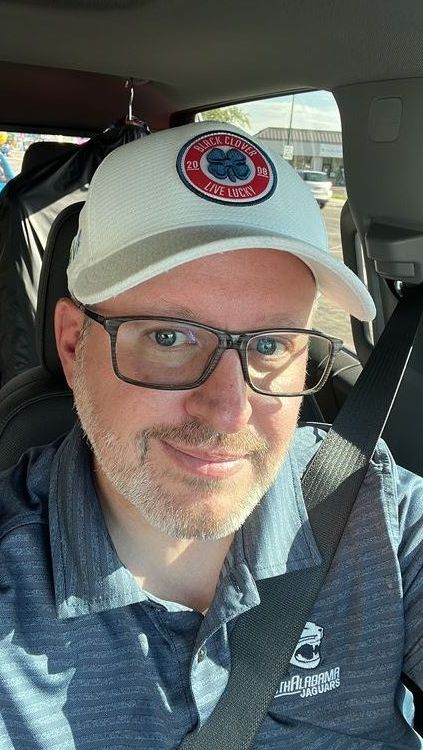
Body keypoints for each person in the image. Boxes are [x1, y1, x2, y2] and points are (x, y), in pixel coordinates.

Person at [0, 121, 421, 750]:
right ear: (71, 343)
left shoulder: (375, 511)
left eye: (270, 344)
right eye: (169, 337)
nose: (229, 412)